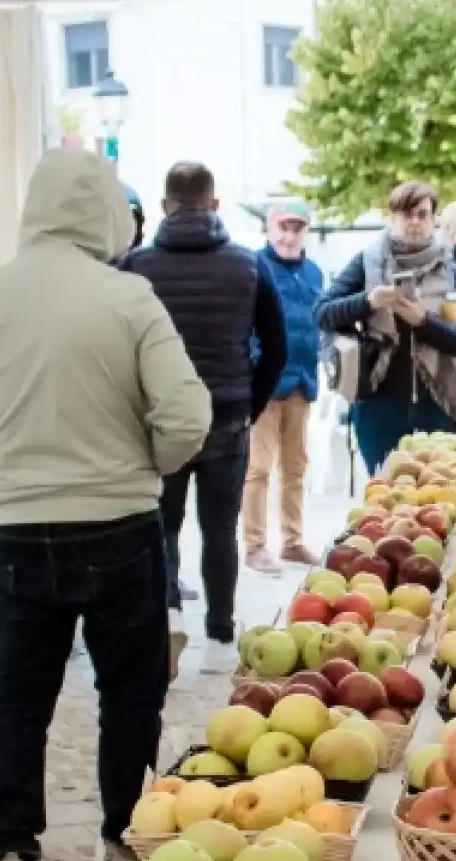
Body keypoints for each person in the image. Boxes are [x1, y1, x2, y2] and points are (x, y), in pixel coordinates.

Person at [0, 149, 212, 861]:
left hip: (20, 526)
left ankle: (14, 858)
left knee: (20, 697)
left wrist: (5, 462)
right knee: (131, 693)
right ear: (106, 216)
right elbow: (187, 416)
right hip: (119, 523)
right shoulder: (128, 298)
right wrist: (139, 465)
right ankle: (122, 843)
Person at [119, 162, 287, 655]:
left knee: (160, 524)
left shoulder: (136, 267)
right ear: (215, 205)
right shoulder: (249, 265)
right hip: (227, 415)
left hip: (160, 416)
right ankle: (219, 626)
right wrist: (249, 404)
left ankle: (166, 620)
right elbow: (275, 348)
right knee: (220, 530)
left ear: (164, 204)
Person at [317, 181, 456, 473]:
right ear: (392, 218)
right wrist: (368, 301)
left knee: (440, 495)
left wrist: (423, 322)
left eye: (422, 214)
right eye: (407, 214)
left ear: (434, 219)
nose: (415, 223)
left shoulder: (450, 269)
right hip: (379, 401)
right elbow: (322, 313)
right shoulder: (366, 263)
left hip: (439, 404)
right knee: (383, 498)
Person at [244, 199, 327, 574]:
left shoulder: (314, 273)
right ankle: (255, 545)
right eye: (284, 227)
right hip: (265, 384)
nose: (290, 235)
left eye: (298, 228)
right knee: (258, 468)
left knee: (296, 468)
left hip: (302, 382)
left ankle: (292, 542)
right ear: (269, 229)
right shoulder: (253, 268)